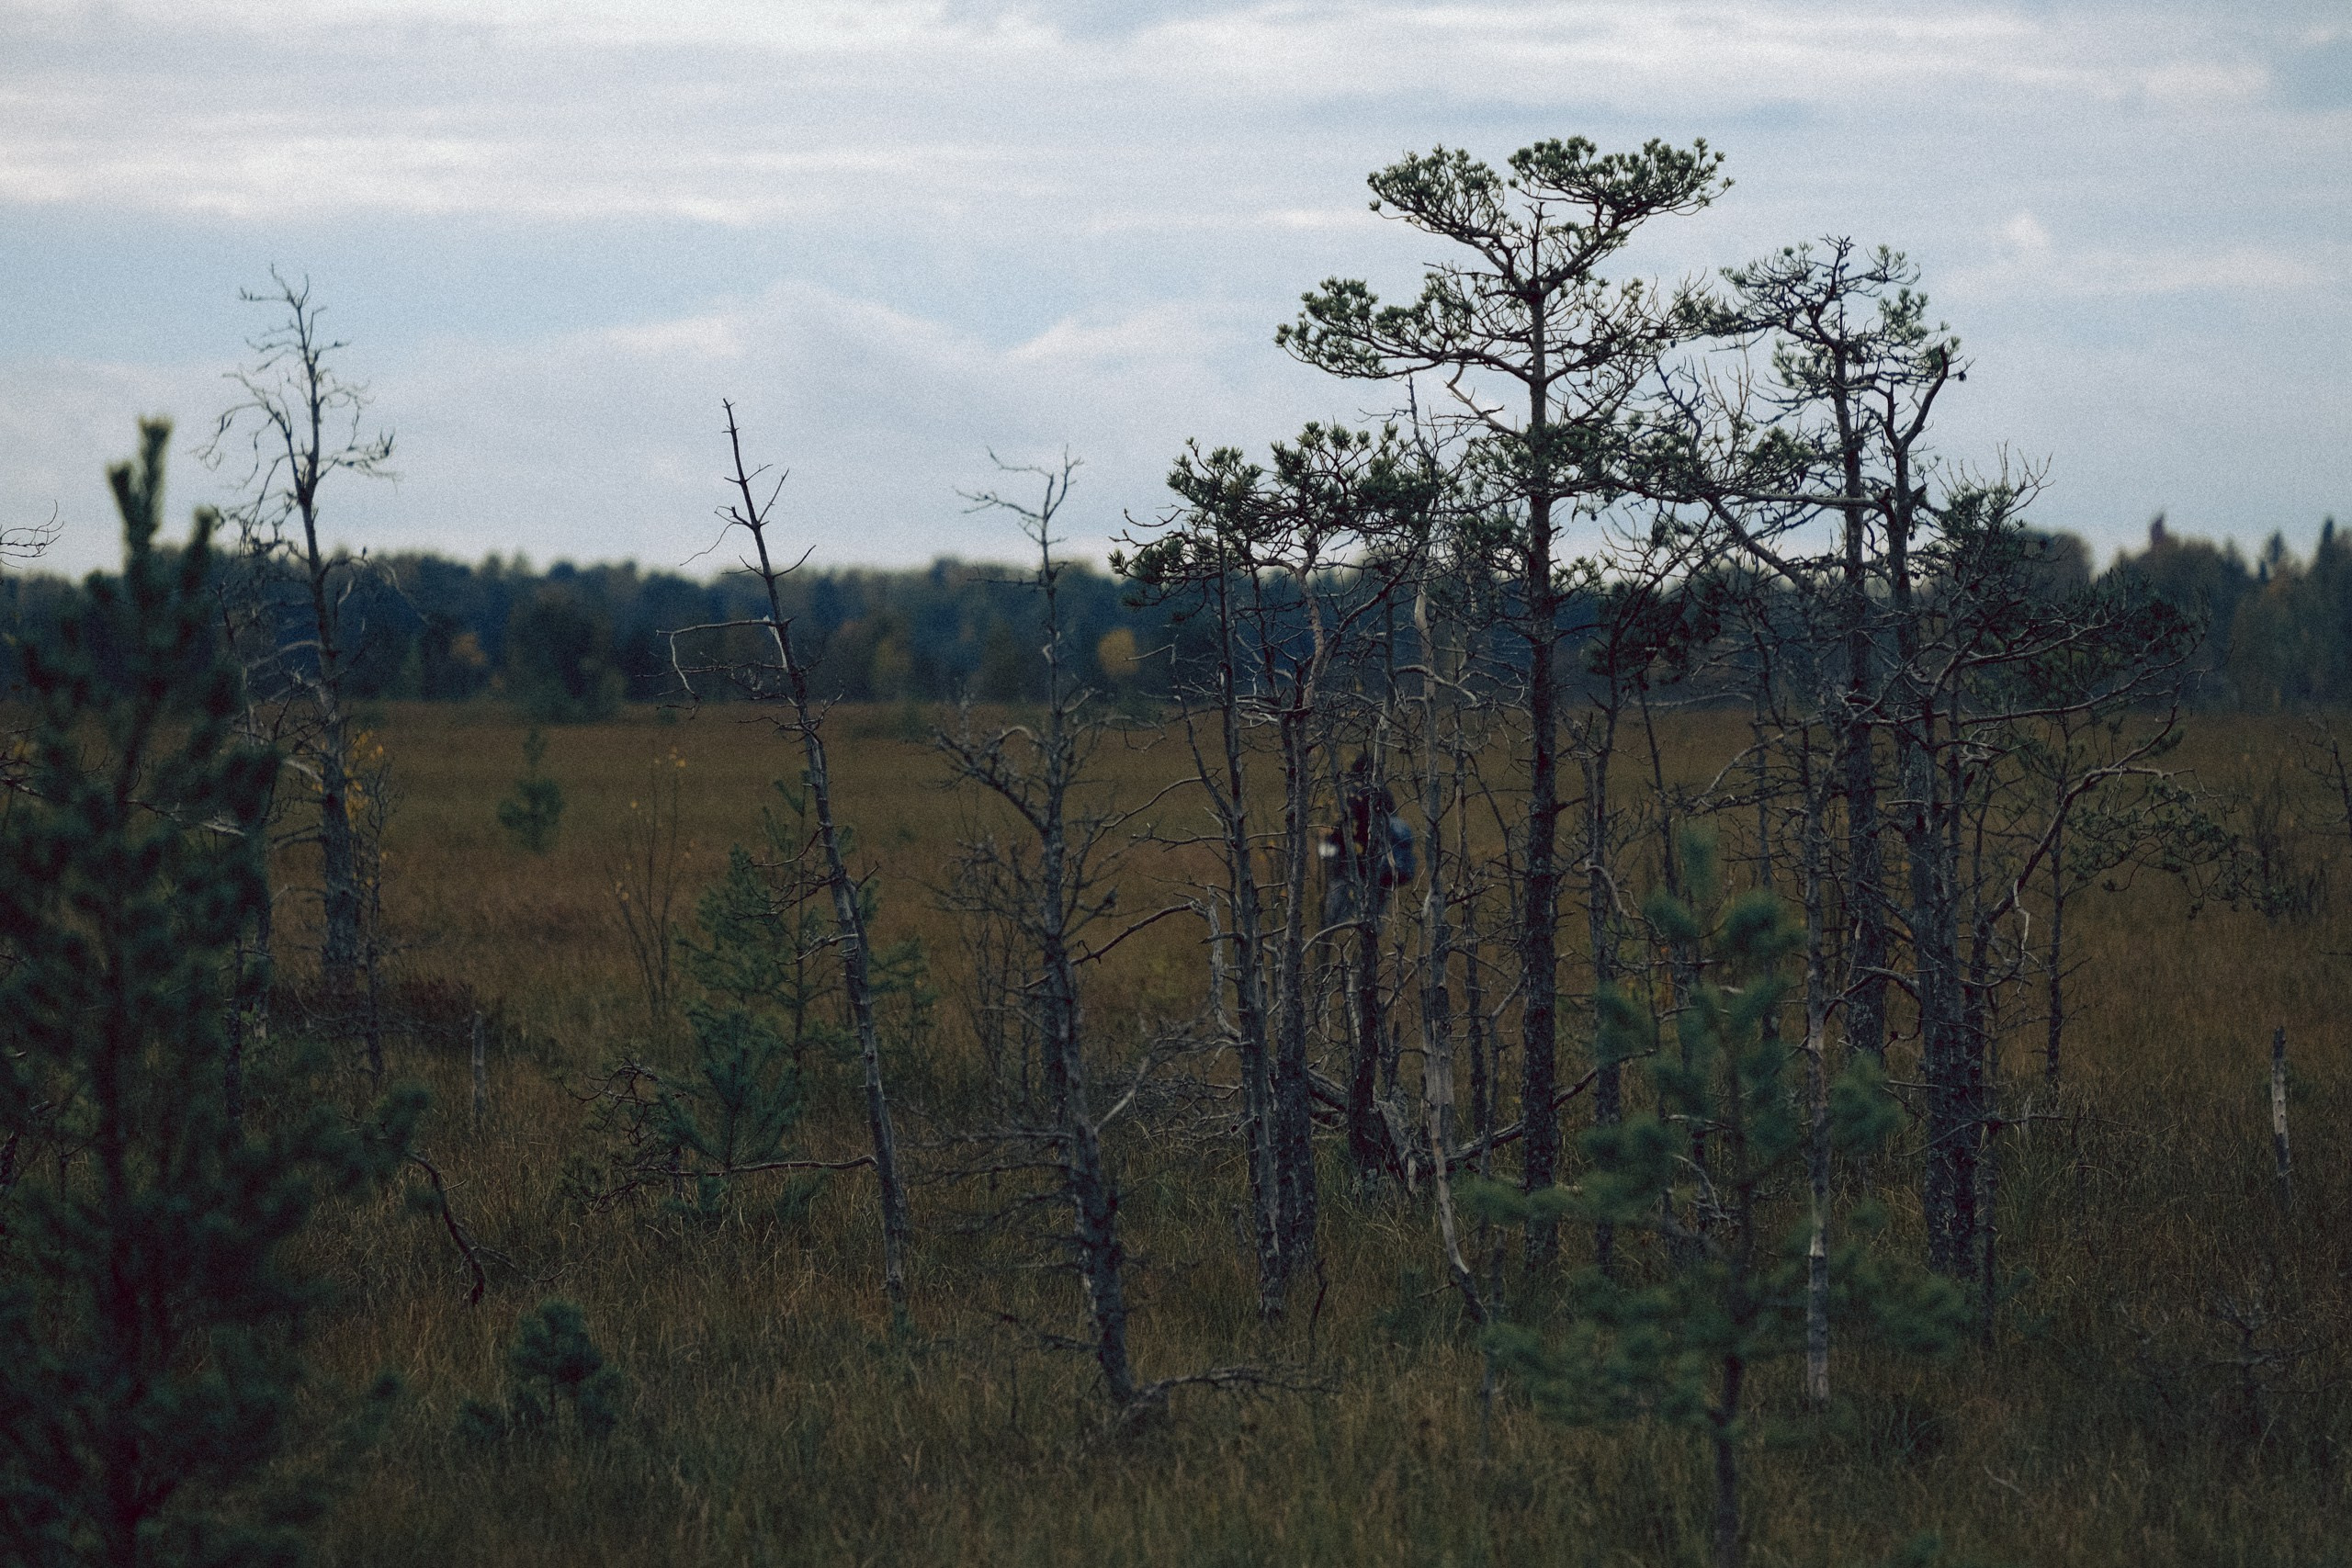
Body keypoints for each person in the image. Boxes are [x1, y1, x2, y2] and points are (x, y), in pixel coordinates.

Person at [1321, 753, 1415, 929]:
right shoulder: (1384, 794)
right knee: (1374, 917)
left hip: (1350, 865)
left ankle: (1337, 946)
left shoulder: (1350, 794)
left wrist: (1329, 851)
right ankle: (1373, 947)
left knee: (1337, 921)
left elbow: (1341, 830)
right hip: (1380, 865)